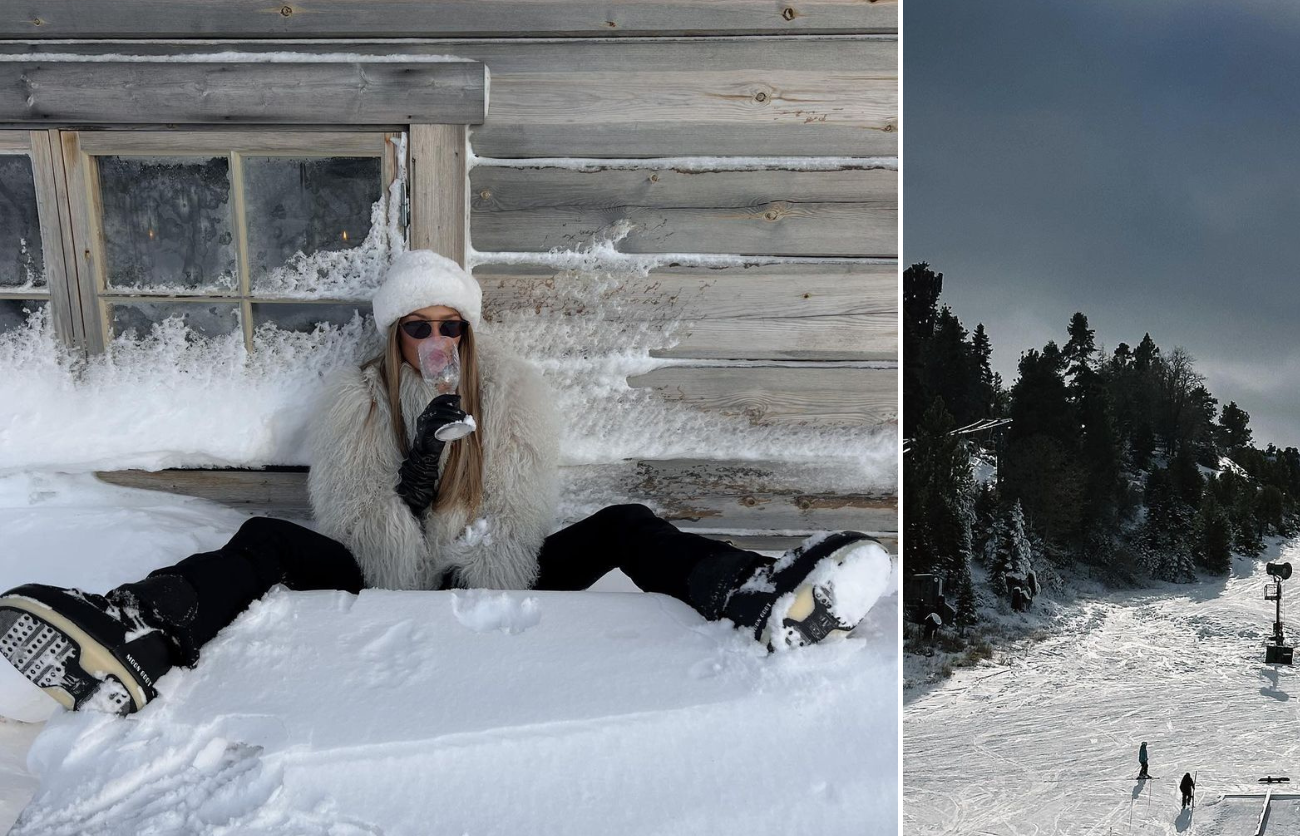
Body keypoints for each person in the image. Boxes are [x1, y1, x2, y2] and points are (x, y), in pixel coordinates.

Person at [0, 252, 889, 718]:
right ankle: (141, 628)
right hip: (383, 566)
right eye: (419, 326)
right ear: (396, 334)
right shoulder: (356, 400)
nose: (436, 340)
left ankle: (756, 594)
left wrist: (469, 534)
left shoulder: (507, 392)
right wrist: (415, 479)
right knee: (264, 543)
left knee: (623, 523)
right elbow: (353, 520)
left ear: (468, 330)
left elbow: (524, 508)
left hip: (488, 565)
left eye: (450, 325)